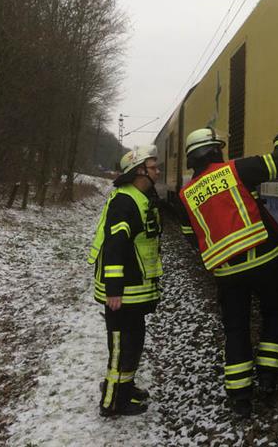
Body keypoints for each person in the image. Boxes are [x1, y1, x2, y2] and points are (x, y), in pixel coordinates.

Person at [178, 127, 278, 418]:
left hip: (227, 272)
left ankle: (240, 397)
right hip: (264, 260)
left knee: (236, 329)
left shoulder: (186, 193)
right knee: (274, 312)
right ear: (215, 151)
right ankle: (268, 377)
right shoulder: (235, 170)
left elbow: (189, 234)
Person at [87, 145, 163, 417]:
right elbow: (115, 246)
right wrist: (114, 290)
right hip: (123, 290)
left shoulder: (138, 196)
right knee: (121, 346)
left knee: (133, 341)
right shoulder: (125, 202)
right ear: (139, 171)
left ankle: (125, 387)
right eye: (153, 167)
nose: (157, 170)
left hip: (133, 288)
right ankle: (112, 402)